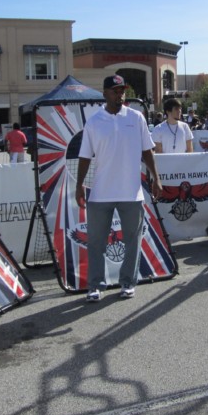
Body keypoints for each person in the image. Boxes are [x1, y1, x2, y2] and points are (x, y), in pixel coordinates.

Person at [76, 75, 162, 302]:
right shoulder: (94, 122)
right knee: (96, 242)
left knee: (132, 240)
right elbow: (85, 156)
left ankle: (128, 283)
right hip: (100, 193)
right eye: (115, 91)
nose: (119, 94)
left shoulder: (137, 118)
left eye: (122, 90)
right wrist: (78, 186)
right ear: (104, 93)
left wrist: (156, 178)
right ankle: (95, 286)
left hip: (131, 193)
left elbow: (147, 151)